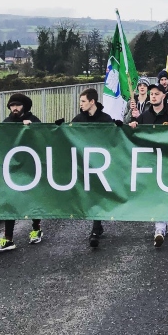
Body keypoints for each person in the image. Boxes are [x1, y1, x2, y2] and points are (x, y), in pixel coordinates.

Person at [0, 93, 43, 252]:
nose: (14, 108)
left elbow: (45, 138)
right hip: (12, 169)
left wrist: (34, 129)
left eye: (18, 105)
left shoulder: (34, 120)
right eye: (12, 105)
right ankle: (8, 238)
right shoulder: (6, 123)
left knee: (33, 199)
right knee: (10, 201)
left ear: (25, 107)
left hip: (31, 168)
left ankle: (36, 229)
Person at [129, 84, 168, 247]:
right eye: (151, 94)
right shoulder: (144, 117)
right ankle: (160, 226)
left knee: (166, 192)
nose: (153, 96)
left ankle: (162, 223)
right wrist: (132, 125)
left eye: (156, 94)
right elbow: (132, 134)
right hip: (150, 161)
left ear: (164, 96)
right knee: (155, 193)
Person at [69, 88, 115, 247]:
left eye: (83, 101)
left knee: (97, 194)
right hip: (84, 164)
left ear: (92, 101)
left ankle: (95, 229)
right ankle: (98, 226)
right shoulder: (78, 119)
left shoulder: (105, 119)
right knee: (89, 195)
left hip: (101, 165)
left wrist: (119, 128)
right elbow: (69, 136)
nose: (80, 104)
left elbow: (114, 139)